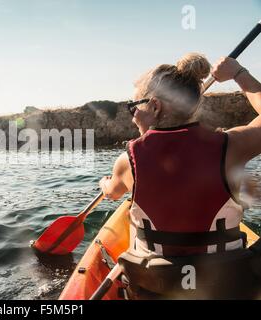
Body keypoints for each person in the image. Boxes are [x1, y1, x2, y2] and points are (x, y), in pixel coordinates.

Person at [98, 53, 261, 299]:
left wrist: (106, 183)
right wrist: (239, 73)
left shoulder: (128, 161)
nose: (132, 115)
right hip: (228, 288)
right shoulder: (231, 147)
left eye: (135, 106)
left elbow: (111, 193)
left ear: (155, 105)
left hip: (155, 289)